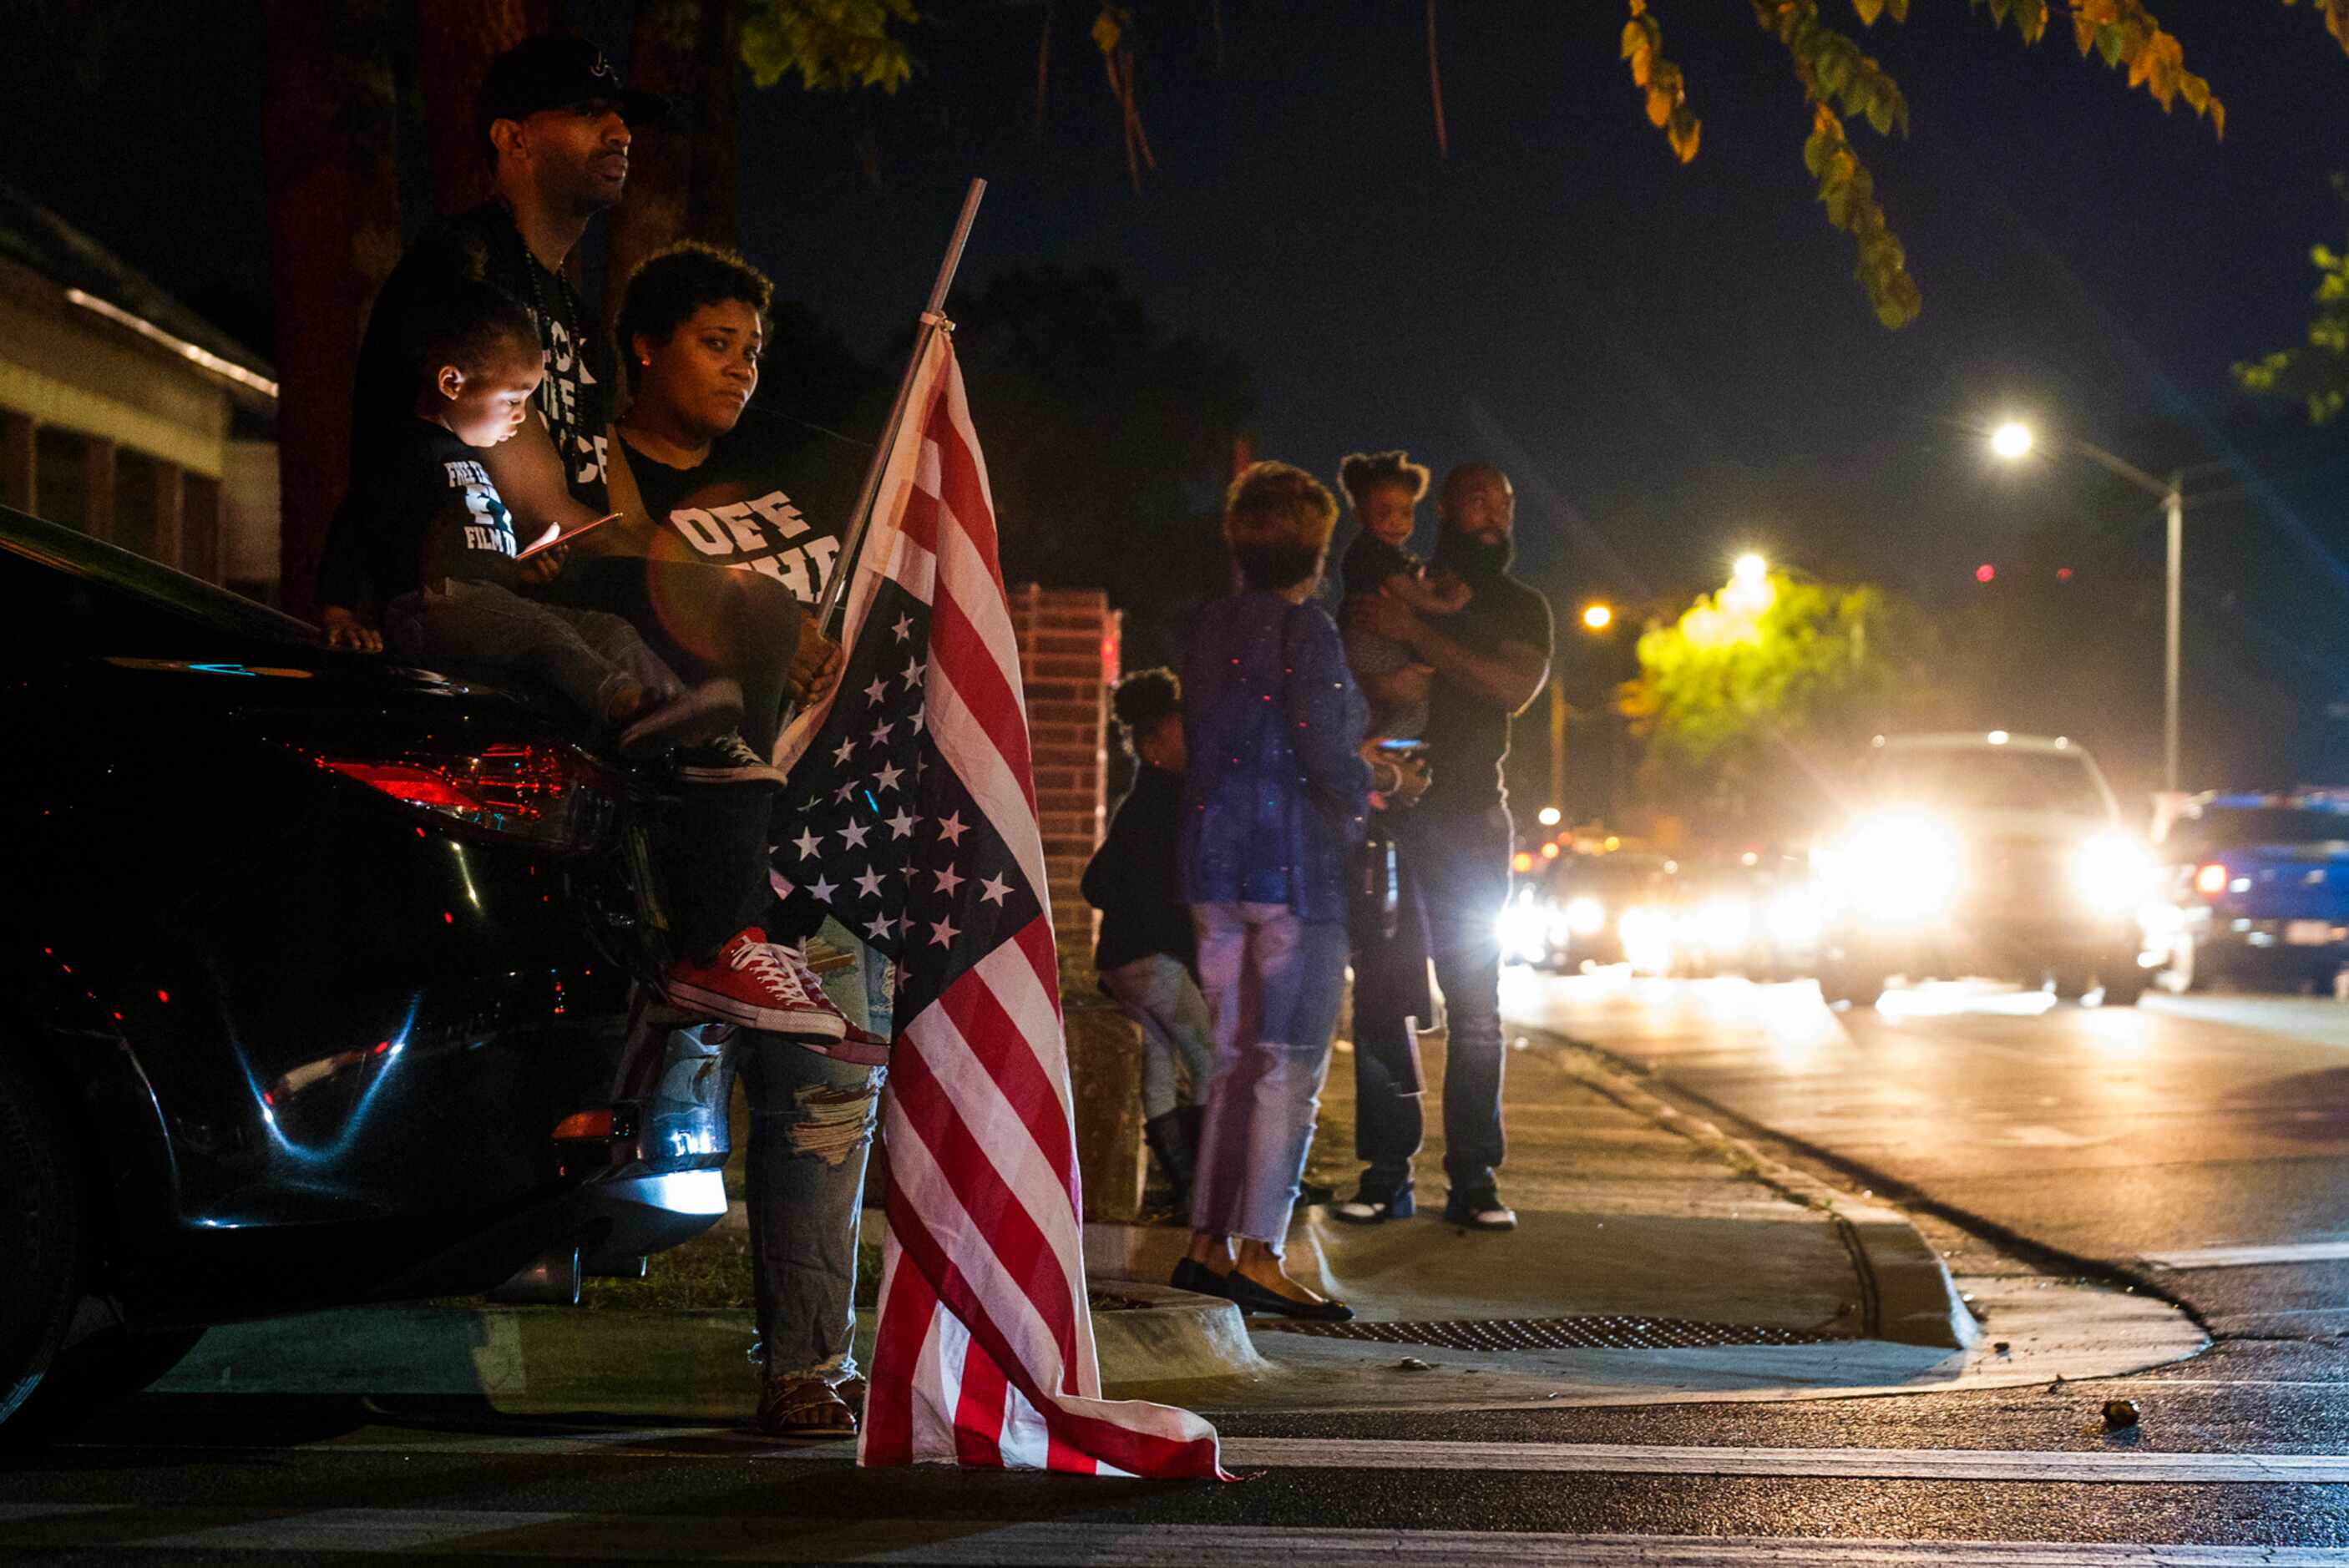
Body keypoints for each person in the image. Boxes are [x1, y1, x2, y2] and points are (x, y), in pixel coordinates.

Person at [1172, 462, 1422, 1321]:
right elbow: (1321, 752)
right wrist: (1377, 779)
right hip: (1293, 869)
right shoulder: (1306, 628)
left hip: (1212, 864)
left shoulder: (1207, 625)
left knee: (1234, 1061)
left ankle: (1206, 1243)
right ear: (1315, 553)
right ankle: (1260, 1252)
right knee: (1288, 1067)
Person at [1339, 461, 1552, 1232]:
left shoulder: (1517, 607)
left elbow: (1510, 688)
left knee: (1475, 1009)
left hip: (1470, 823)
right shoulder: (1396, 578)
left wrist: (1419, 634)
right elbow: (1352, 662)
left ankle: (1473, 1180)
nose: (1491, 512)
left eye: (1502, 500)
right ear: (1445, 515)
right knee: (1382, 1001)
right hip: (1390, 818)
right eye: (1474, 500)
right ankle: (1384, 1174)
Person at [1082, 668, 1213, 1218]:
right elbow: (1109, 885)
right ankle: (1206, 1191)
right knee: (1213, 1060)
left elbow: (1097, 883)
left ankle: (1186, 1188)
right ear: (1153, 745)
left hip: (1124, 963)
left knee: (1161, 1065)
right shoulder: (1166, 806)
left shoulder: (1144, 802)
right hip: (1151, 961)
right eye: (1184, 731)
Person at [1335, 449, 1468, 740]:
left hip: (1385, 639)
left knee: (1409, 706)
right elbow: (1405, 590)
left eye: (1406, 513)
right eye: (1384, 513)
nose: (1396, 521)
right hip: (1369, 638)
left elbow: (1415, 583)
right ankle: (1374, 744)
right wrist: (1445, 606)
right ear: (1360, 514)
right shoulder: (1369, 551)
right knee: (1405, 701)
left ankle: (1380, 745)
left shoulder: (1396, 556)